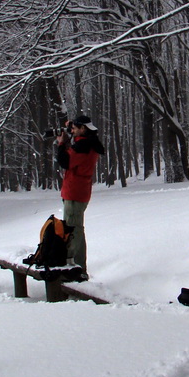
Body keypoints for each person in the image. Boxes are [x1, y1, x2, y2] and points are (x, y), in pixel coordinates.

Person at [56, 115, 105, 276]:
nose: (72, 131)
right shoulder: (88, 142)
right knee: (78, 229)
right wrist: (72, 126)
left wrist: (61, 144)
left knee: (72, 229)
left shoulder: (83, 146)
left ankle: (72, 268)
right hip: (78, 191)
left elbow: (65, 162)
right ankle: (79, 268)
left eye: (75, 128)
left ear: (83, 129)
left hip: (75, 192)